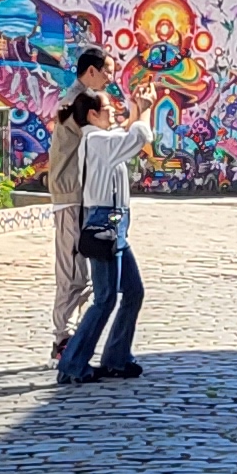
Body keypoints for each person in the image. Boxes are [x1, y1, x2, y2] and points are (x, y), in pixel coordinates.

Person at [55, 93, 145, 384]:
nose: (113, 112)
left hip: (115, 221)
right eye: (107, 109)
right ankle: (72, 363)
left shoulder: (103, 140)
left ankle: (117, 358)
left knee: (133, 291)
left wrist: (140, 110)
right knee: (104, 298)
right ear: (92, 115)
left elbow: (128, 134)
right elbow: (138, 136)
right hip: (103, 221)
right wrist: (143, 110)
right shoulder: (95, 141)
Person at [51, 49, 112, 361]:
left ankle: (67, 339)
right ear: (91, 71)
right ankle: (64, 342)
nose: (109, 79)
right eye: (106, 72)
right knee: (74, 273)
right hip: (71, 197)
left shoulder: (75, 98)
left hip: (76, 196)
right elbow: (101, 133)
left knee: (77, 271)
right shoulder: (80, 101)